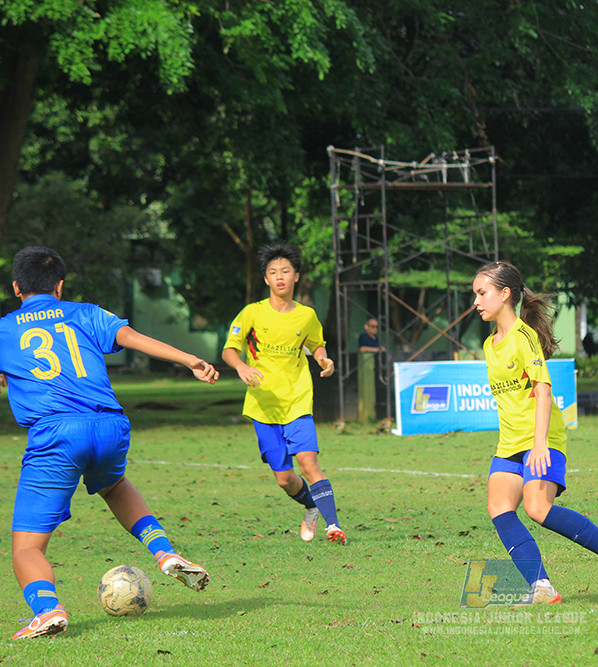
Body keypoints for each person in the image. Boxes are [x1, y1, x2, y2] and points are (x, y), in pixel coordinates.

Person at [0, 246, 215, 640]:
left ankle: (48, 611)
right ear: (60, 286)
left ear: (16, 287)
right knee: (113, 485)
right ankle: (164, 552)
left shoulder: (5, 329)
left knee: (26, 548)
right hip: (110, 425)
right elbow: (131, 338)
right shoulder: (85, 312)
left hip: (57, 433)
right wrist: (190, 360)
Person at [473, 260, 598, 604]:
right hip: (509, 443)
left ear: (505, 294)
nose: (476, 301)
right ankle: (542, 587)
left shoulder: (523, 337)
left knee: (538, 509)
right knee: (499, 507)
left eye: (482, 293)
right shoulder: (490, 343)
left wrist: (539, 444)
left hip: (543, 439)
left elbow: (543, 391)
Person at [222, 241, 346, 545]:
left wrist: (323, 359)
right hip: (263, 406)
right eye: (273, 271)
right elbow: (229, 350)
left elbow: (317, 344)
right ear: (266, 279)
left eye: (285, 271)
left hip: (297, 400)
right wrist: (240, 367)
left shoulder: (306, 315)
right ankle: (310, 506)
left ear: (296, 277)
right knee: (285, 478)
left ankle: (334, 525)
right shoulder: (252, 313)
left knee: (309, 463)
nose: (279, 276)